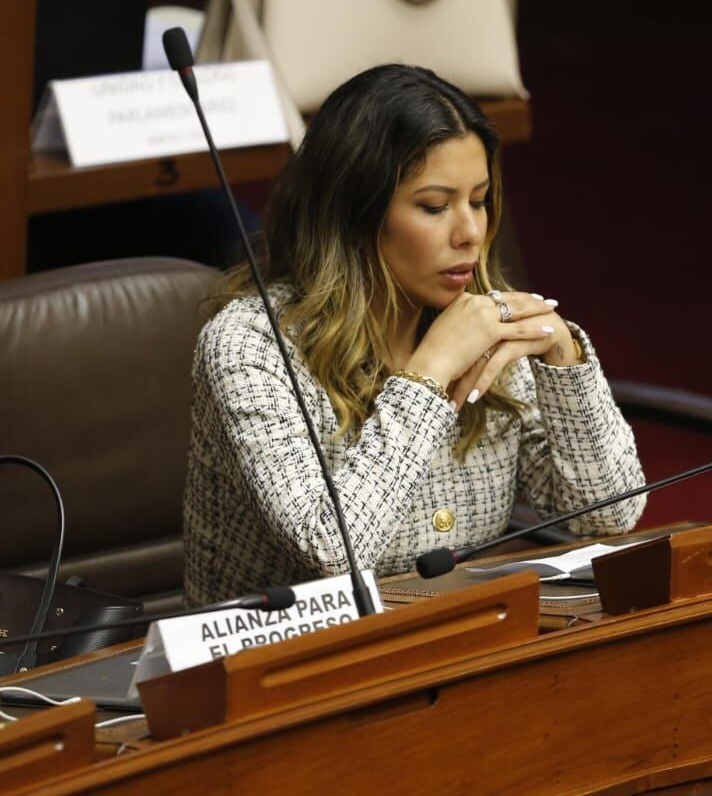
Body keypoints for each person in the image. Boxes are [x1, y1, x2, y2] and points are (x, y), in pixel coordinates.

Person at [182, 64, 646, 606]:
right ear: (355, 213)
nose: (470, 232)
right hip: (290, 653)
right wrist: (429, 373)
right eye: (434, 206)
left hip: (468, 632)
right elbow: (332, 548)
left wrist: (564, 359)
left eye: (479, 200)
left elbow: (610, 515)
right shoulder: (249, 345)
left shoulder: (487, 322)